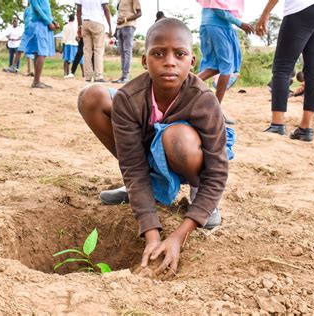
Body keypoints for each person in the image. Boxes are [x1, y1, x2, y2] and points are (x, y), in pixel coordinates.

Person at [77, 18, 234, 277]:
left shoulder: (204, 100)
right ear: (144, 60)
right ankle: (151, 185)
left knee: (176, 137)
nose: (169, 62)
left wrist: (178, 236)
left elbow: (218, 170)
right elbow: (131, 164)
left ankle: (198, 193)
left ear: (191, 62)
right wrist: (151, 235)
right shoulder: (130, 98)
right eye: (158, 53)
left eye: (179, 54)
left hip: (190, 154)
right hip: (148, 151)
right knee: (91, 95)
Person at [257, 0, 314, 142]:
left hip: (303, 7)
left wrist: (265, 13)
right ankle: (305, 128)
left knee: (282, 67)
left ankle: (277, 124)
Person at [196, 0, 254, 125]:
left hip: (209, 25)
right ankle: (215, 112)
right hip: (218, 26)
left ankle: (183, 85)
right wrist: (240, 23)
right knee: (226, 68)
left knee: (216, 66)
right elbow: (219, 9)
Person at [23, 0, 59, 88]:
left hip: (41, 23)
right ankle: (36, 82)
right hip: (39, 24)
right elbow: (37, 8)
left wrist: (52, 21)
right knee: (42, 53)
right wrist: (48, 22)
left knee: (38, 53)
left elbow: (44, 9)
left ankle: (37, 80)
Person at [75, 0, 112, 83]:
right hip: (97, 21)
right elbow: (106, 8)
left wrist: (79, 26)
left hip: (85, 22)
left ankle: (88, 76)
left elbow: (78, 10)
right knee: (98, 49)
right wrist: (110, 26)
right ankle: (98, 76)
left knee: (87, 50)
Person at [111, 0, 142, 84]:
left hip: (129, 26)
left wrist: (125, 19)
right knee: (122, 53)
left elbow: (139, 13)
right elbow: (120, 15)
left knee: (127, 51)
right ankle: (123, 76)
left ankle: (126, 77)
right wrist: (115, 32)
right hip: (119, 27)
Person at [62, 14, 79, 78]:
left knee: (66, 59)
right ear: (74, 19)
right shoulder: (76, 26)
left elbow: (64, 37)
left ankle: (65, 73)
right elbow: (77, 37)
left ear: (69, 18)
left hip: (67, 44)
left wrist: (63, 46)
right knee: (76, 59)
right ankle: (77, 73)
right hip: (75, 44)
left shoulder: (65, 26)